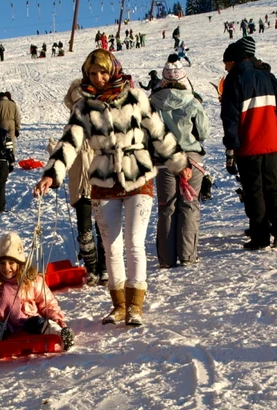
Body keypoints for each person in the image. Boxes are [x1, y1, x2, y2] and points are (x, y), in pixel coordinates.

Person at [33, 49, 189, 327]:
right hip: (103, 179)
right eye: (93, 73)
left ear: (113, 70)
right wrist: (52, 173)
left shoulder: (135, 97)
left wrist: (179, 162)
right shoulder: (83, 107)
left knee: (133, 243)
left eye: (103, 72)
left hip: (137, 175)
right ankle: (119, 305)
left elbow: (158, 131)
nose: (99, 78)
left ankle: (136, 306)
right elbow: (69, 141)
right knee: (111, 248)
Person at [220, 42, 277, 250]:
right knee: (273, 187)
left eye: (226, 63)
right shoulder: (266, 76)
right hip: (271, 143)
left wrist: (231, 149)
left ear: (234, 60)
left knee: (255, 191)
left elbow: (230, 119)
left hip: (249, 145)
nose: (225, 68)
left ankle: (260, 235)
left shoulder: (234, 80)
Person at [0, 232, 75, 361]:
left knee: (43, 324)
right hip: (5, 324)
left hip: (29, 321)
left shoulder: (32, 281)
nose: (6, 268)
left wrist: (59, 322)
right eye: (2, 263)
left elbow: (48, 304)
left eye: (11, 263)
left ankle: (62, 334)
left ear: (19, 264)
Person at [149, 54, 211, 268]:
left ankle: (166, 258)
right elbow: (203, 133)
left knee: (167, 208)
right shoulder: (192, 101)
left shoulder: (153, 102)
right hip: (191, 158)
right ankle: (187, 255)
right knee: (189, 206)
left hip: (164, 159)